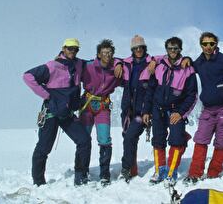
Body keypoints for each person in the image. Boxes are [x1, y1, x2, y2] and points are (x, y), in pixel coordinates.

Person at [23, 38, 91, 186]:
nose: (73, 51)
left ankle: (81, 176)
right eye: (70, 48)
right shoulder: (52, 66)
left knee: (84, 141)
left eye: (75, 49)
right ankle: (39, 182)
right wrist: (47, 95)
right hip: (51, 112)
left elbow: (96, 62)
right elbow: (28, 76)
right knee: (44, 147)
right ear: (63, 48)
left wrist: (117, 62)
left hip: (67, 114)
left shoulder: (79, 64)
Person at [182, 32, 223, 184]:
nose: (208, 47)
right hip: (207, 109)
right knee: (201, 139)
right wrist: (186, 59)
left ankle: (214, 173)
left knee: (221, 142)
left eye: (211, 44)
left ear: (216, 44)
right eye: (205, 44)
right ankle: (195, 173)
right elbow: (189, 66)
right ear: (201, 45)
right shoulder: (199, 63)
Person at [142, 37, 198, 186]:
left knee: (176, 140)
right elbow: (151, 90)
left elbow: (192, 95)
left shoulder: (188, 69)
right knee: (158, 141)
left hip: (175, 111)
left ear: (180, 50)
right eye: (170, 48)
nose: (173, 51)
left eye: (176, 48)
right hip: (158, 109)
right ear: (166, 49)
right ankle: (159, 170)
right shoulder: (159, 65)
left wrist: (180, 113)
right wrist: (146, 111)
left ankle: (171, 171)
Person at [79, 39, 122, 186]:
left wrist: (119, 63)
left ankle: (104, 174)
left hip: (103, 106)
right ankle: (82, 172)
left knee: (104, 140)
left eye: (110, 52)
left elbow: (129, 67)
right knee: (83, 139)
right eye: (104, 52)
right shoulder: (88, 66)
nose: (107, 55)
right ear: (98, 54)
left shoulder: (115, 69)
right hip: (87, 105)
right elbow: (74, 65)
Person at [119, 35, 156, 183]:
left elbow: (167, 57)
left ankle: (126, 169)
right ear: (132, 49)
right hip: (127, 109)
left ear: (144, 48)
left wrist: (147, 111)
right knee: (127, 138)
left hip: (142, 111)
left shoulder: (151, 62)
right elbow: (114, 60)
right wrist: (117, 64)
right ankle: (132, 169)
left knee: (129, 136)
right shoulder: (126, 63)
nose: (138, 50)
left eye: (140, 47)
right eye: (135, 48)